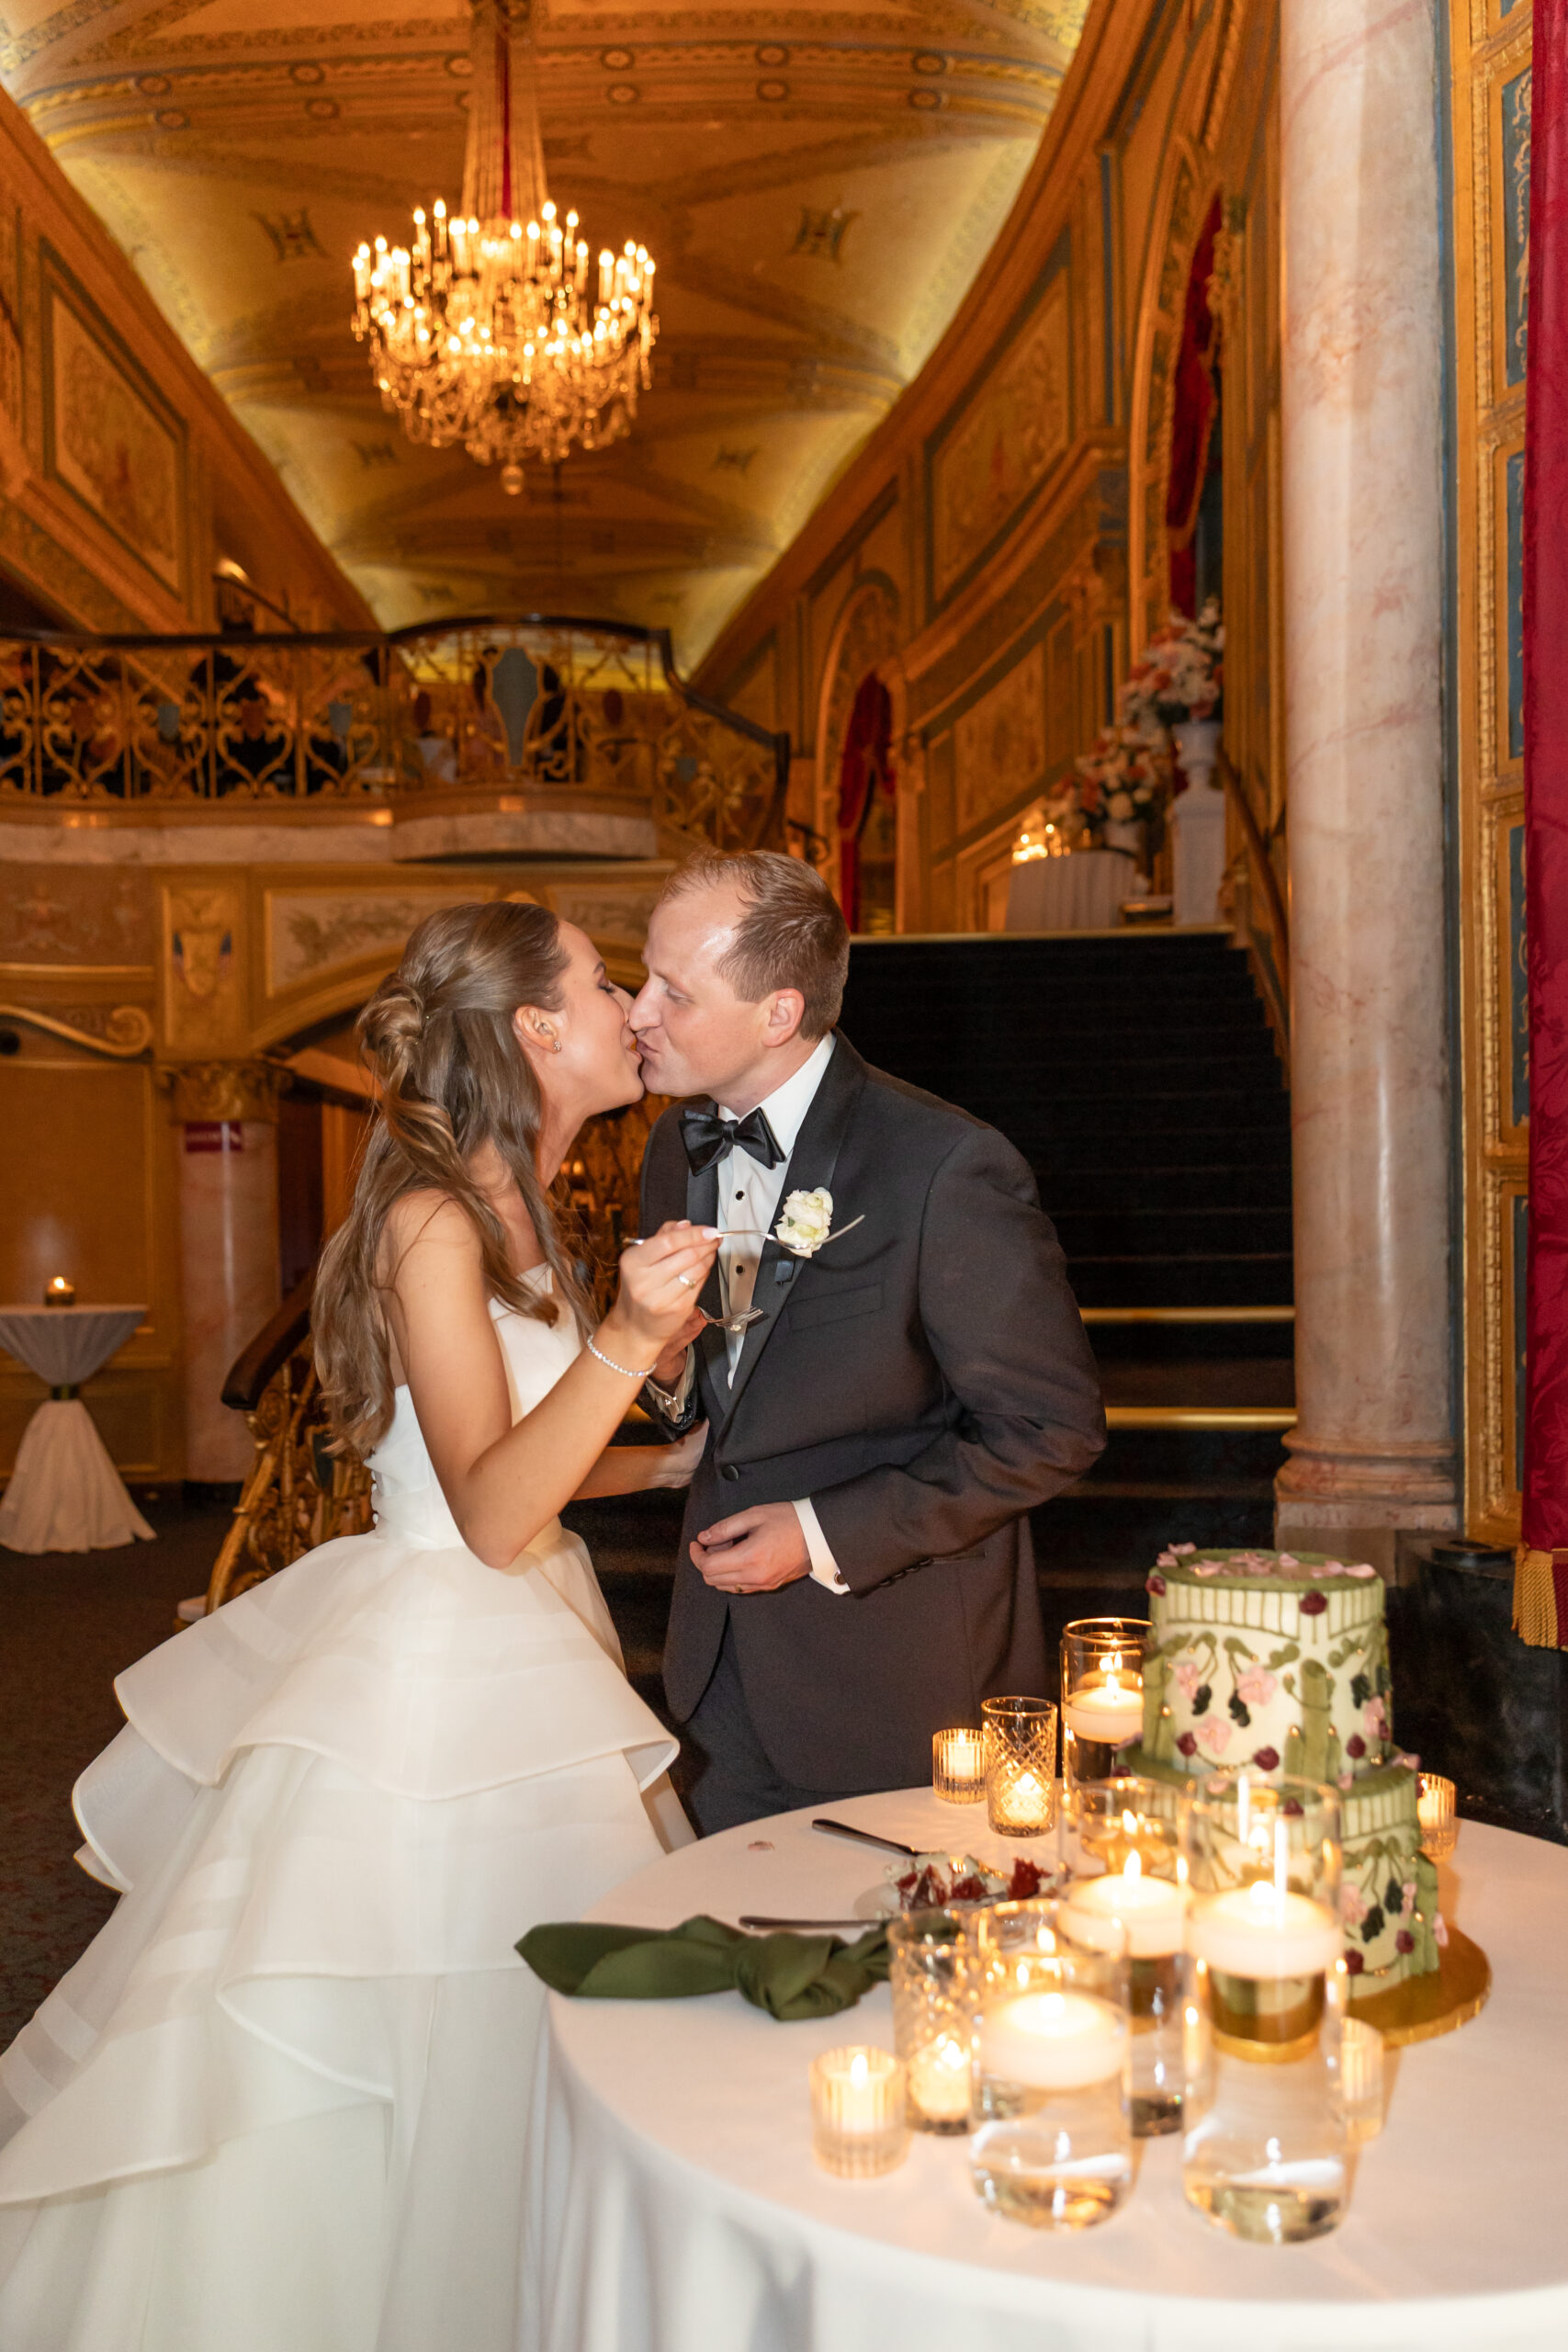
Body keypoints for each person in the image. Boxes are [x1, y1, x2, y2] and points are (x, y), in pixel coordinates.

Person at [0, 899, 719, 2352]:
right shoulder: (431, 1213)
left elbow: (529, 1459)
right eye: (600, 982)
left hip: (511, 1633)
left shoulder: (521, 1198)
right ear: (533, 1026)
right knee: (411, 2020)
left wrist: (684, 1458)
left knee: (527, 2018)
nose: (626, 1008)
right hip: (434, 1665)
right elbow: (491, 1512)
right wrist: (629, 1348)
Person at [631, 850, 1107, 1834]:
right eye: (645, 978)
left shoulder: (945, 1166)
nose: (638, 1012)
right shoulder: (670, 1151)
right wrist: (668, 1374)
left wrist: (814, 1534)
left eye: (673, 992)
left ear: (778, 1013)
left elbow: (1049, 1429)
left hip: (900, 1680)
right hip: (717, 1676)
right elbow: (714, 1398)